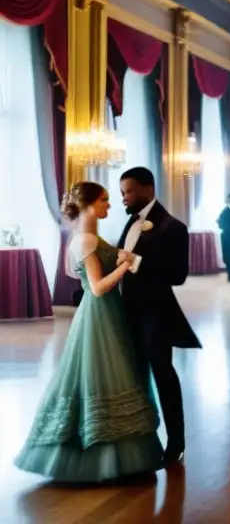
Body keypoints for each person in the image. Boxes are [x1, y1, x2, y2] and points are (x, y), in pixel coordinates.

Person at [15, 182, 164, 482]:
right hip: (100, 315)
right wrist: (125, 265)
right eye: (104, 200)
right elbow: (96, 288)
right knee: (103, 377)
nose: (110, 205)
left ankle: (116, 458)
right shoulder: (85, 240)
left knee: (106, 376)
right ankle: (102, 460)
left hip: (108, 314)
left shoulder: (87, 238)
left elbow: (76, 272)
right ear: (88, 205)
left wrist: (125, 256)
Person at [115, 166, 200, 467]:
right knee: (131, 376)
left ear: (148, 189)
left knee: (163, 375)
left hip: (156, 315)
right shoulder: (130, 223)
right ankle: (137, 439)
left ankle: (175, 442)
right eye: (122, 191)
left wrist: (136, 261)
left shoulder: (172, 227)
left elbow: (178, 276)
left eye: (128, 191)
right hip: (124, 314)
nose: (123, 197)